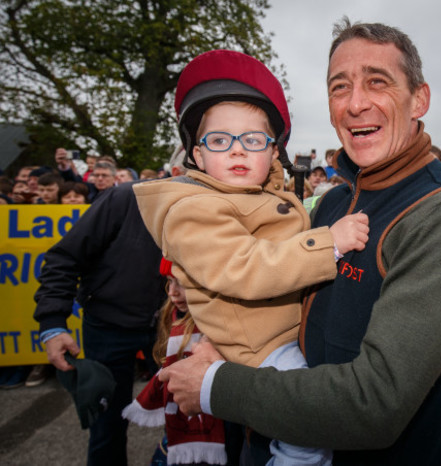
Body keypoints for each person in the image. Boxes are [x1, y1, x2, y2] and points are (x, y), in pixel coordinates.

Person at [159, 18, 441, 465]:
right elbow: (279, 301)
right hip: (273, 439)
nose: (356, 104)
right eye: (340, 88)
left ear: (419, 99)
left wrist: (214, 385)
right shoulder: (335, 200)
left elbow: (375, 404)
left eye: (378, 82)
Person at [134, 48, 370, 465]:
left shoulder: (257, 197)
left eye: (254, 140)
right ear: (197, 155)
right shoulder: (194, 208)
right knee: (306, 419)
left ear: (273, 153)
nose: (239, 151)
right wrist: (327, 243)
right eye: (221, 140)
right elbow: (246, 267)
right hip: (258, 342)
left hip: (274, 329)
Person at [33, 179, 167, 466]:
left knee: (194, 428)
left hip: (174, 330)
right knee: (106, 426)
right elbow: (63, 258)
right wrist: (53, 324)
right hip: (107, 326)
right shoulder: (124, 198)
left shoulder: (214, 204)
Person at [122, 258, 228, 465]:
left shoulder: (217, 331)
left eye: (181, 283)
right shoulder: (174, 319)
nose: (172, 292)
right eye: (169, 282)